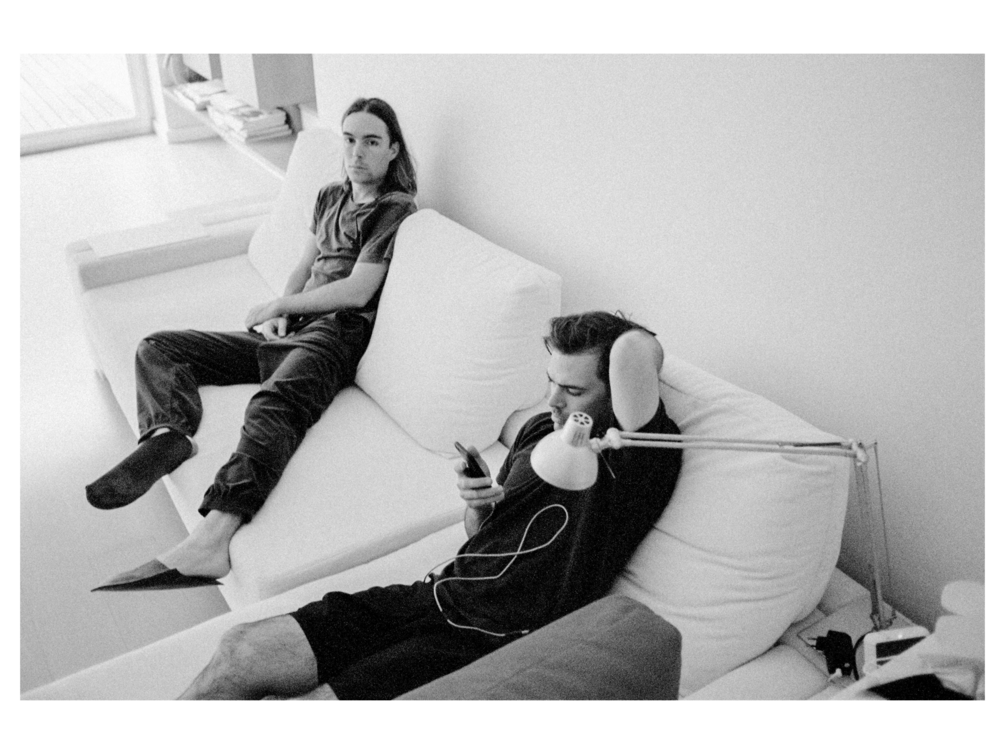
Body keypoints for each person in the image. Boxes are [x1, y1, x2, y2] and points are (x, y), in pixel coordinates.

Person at [177, 311, 683, 699]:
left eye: (572, 390)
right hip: (432, 595)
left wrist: (620, 344)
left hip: (488, 638)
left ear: (617, 394)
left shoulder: (638, 456)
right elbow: (482, 535)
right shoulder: (538, 431)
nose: (552, 401)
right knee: (241, 649)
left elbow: (637, 349)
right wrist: (478, 504)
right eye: (551, 381)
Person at [89, 97, 418, 592]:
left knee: (273, 404)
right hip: (296, 326)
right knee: (158, 347)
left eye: (372, 142)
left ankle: (213, 538)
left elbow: (357, 290)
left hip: (336, 333)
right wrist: (283, 309)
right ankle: (168, 435)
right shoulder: (330, 195)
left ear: (393, 150)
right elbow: (305, 266)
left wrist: (279, 306)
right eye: (350, 140)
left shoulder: (394, 208)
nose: (357, 152)